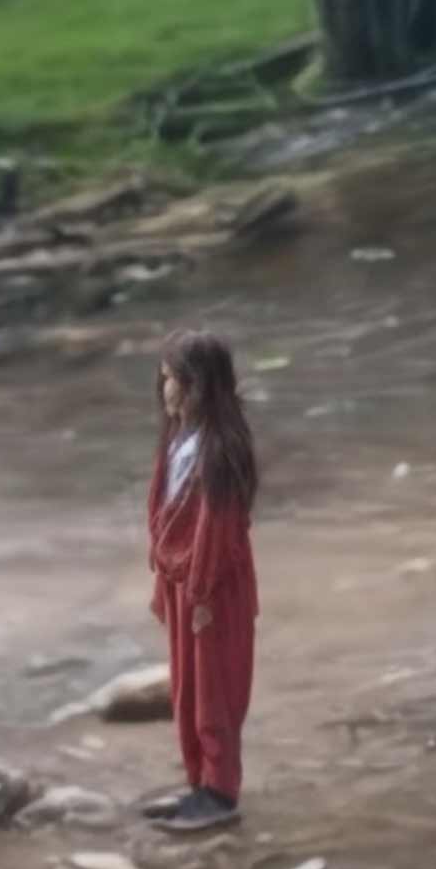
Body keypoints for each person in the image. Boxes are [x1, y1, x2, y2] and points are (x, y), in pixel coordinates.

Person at [142, 328, 259, 837]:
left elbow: (221, 528)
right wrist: (165, 581)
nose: (162, 388)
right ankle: (198, 783)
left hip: (212, 586)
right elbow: (165, 512)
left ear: (195, 385)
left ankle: (221, 792)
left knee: (215, 690)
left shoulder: (221, 450)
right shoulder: (178, 440)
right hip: (182, 578)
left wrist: (204, 594)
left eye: (169, 378)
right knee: (186, 690)